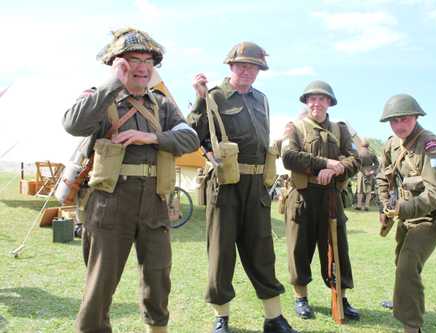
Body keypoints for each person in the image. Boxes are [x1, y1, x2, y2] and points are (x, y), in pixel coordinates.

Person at [63, 28, 200, 333]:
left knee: (158, 277)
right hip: (110, 203)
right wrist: (112, 82)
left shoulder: (161, 104)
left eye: (148, 61)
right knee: (100, 284)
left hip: (154, 202)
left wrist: (152, 137)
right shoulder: (100, 97)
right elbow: (73, 123)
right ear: (116, 63)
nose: (142, 67)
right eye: (132, 60)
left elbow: (191, 137)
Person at [187, 42, 297, 333]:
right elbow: (193, 134)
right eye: (242, 65)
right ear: (231, 67)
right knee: (221, 253)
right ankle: (221, 317)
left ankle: (274, 318)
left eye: (254, 67)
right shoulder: (214, 96)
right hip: (226, 184)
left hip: (256, 185)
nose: (248, 71)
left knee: (262, 250)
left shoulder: (262, 99)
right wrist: (199, 100)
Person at [281, 80, 361, 321]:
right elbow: (289, 157)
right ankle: (301, 298)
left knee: (338, 250)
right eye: (312, 98)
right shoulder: (294, 127)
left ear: (329, 102)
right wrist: (324, 164)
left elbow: (356, 159)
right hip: (302, 197)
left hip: (330, 197)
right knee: (299, 249)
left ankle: (341, 297)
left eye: (322, 98)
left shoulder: (341, 130)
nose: (316, 103)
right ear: (306, 102)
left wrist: (336, 171)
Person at [376, 94, 436, 333]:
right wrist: (385, 204)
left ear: (416, 116)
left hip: (431, 216)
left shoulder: (432, 145)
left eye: (404, 119)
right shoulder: (392, 144)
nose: (399, 126)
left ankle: (412, 326)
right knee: (401, 261)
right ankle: (402, 301)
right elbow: (382, 177)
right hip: (405, 214)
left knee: (408, 265)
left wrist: (401, 208)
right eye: (393, 121)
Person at [355, 139, 379, 211]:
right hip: (369, 172)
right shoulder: (372, 153)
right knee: (368, 191)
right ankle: (367, 206)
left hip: (361, 173)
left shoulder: (358, 153)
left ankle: (359, 205)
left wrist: (363, 171)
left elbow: (357, 164)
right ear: (368, 145)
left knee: (360, 190)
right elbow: (377, 164)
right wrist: (372, 171)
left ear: (361, 145)